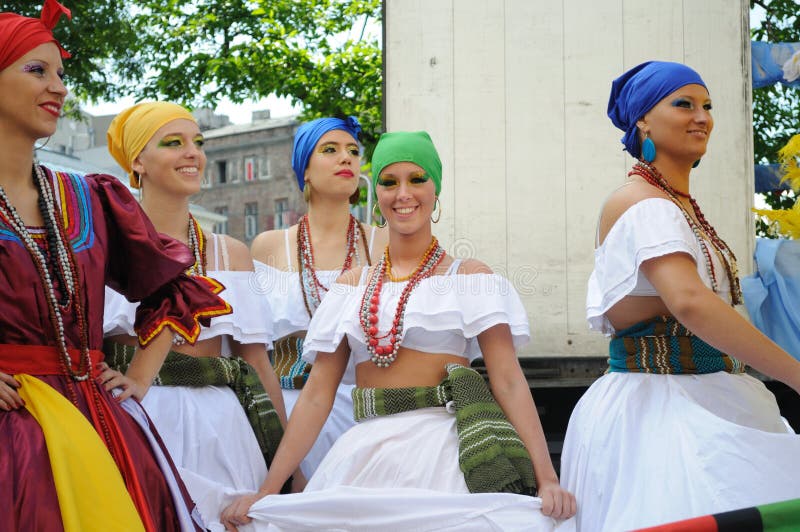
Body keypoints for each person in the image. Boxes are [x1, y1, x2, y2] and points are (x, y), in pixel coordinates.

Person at [221, 131, 576, 531]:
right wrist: (270, 488)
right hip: (363, 455)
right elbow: (317, 395)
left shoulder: (471, 276)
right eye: (389, 182)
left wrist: (547, 480)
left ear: (435, 190)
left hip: (445, 457)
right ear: (378, 196)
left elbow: (508, 381)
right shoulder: (353, 285)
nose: (402, 193)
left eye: (417, 179)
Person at [0, 2, 233, 530]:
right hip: (11, 430)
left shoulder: (90, 198)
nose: (58, 86)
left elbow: (176, 286)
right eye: (35, 70)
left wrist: (139, 375)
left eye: (61, 72)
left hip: (98, 421)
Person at [560, 61, 800, 531]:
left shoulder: (677, 204)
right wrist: (795, 374)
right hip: (658, 410)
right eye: (683, 103)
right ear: (643, 121)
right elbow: (690, 301)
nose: (702, 116)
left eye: (707, 105)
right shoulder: (640, 201)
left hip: (710, 394)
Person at [103, 101, 290, 530]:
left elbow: (257, 362)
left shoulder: (230, 254)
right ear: (138, 162)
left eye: (198, 143)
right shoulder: (103, 247)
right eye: (174, 143)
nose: (193, 153)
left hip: (223, 426)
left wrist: (283, 469)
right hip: (135, 416)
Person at [249, 116, 387, 479]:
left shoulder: (382, 245)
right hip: (289, 413)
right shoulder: (269, 247)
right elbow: (251, 350)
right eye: (330, 150)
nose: (346, 158)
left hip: (363, 415)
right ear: (304, 170)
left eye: (353, 151)